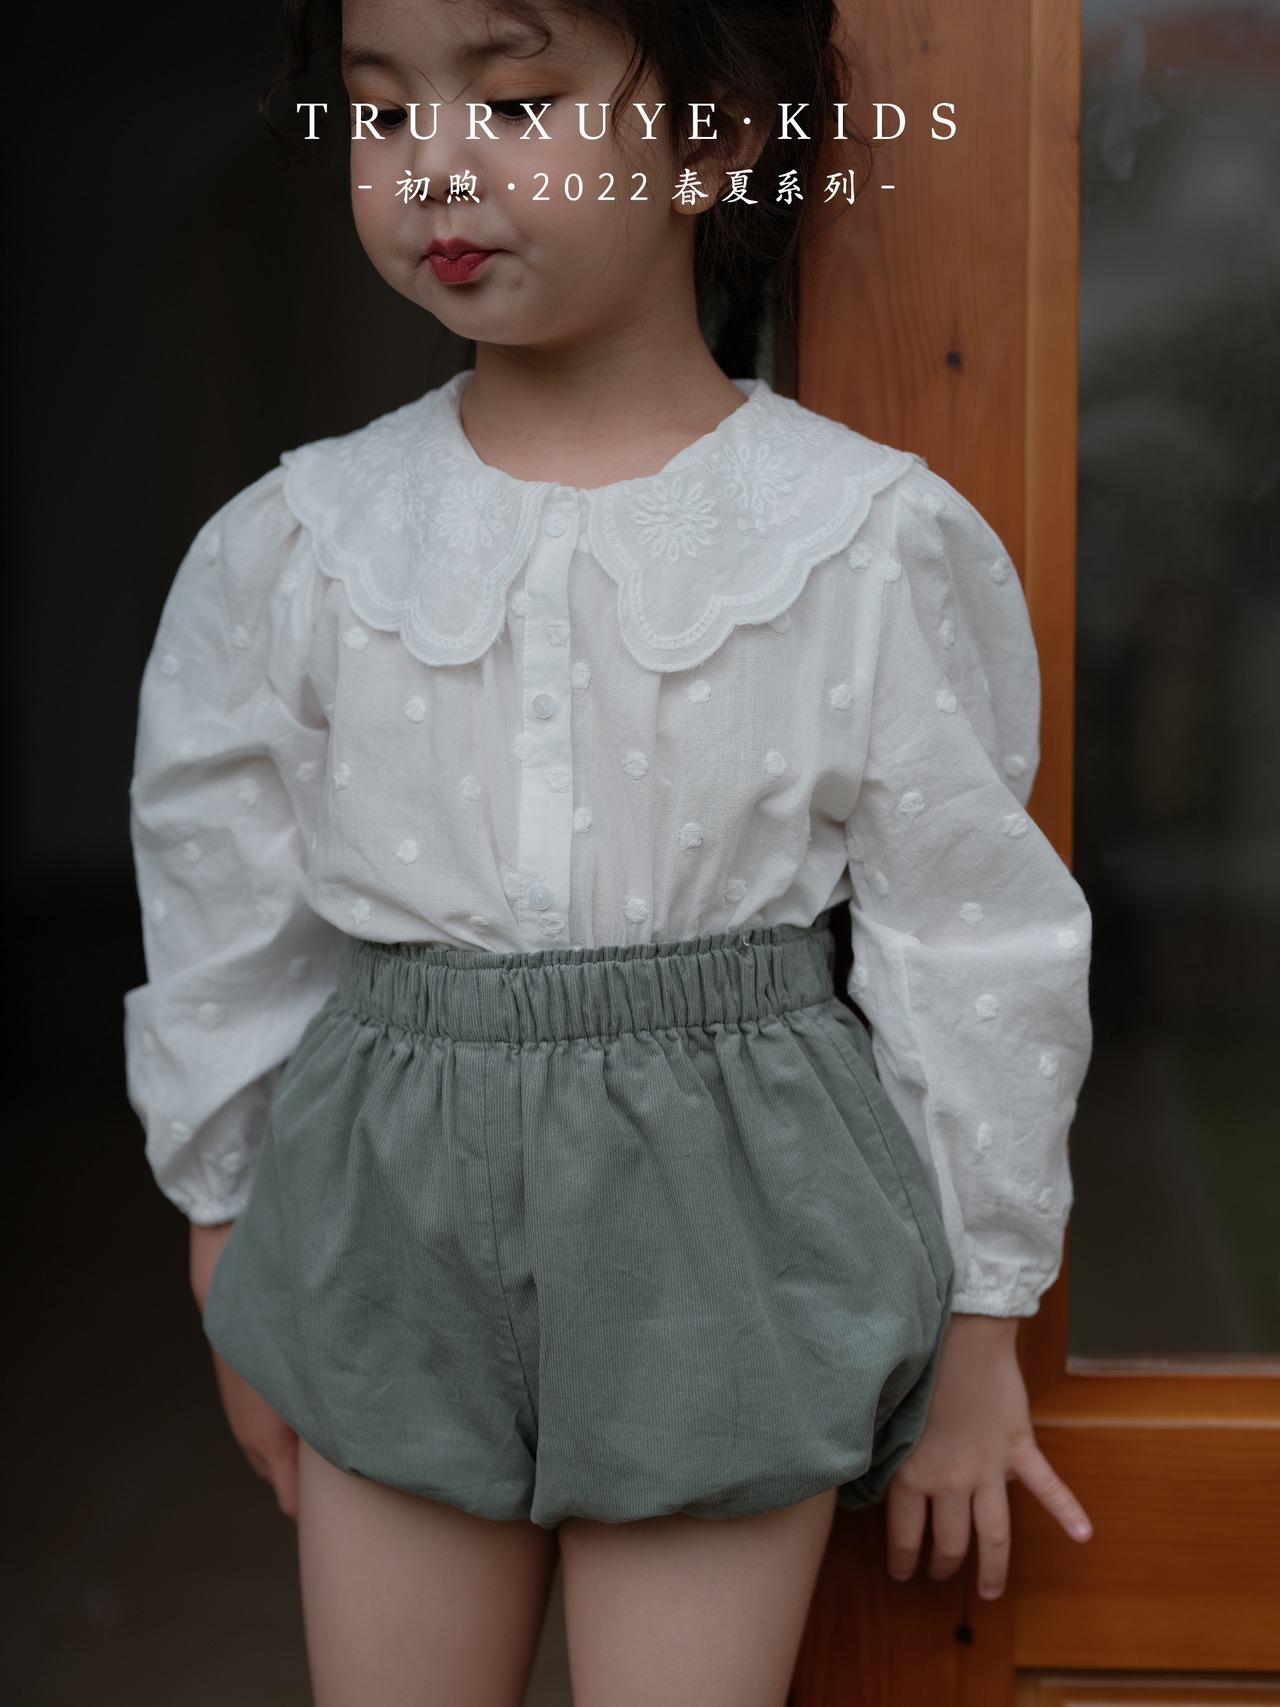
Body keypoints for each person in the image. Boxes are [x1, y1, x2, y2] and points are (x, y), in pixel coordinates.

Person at [123, 0, 1096, 1700]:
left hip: (729, 1222)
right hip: (384, 1216)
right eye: (383, 112)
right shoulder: (297, 543)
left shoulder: (860, 538)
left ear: (711, 142)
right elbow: (225, 899)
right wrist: (226, 1227)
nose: (436, 162)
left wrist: (984, 1327)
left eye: (513, 101)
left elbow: (971, 937)